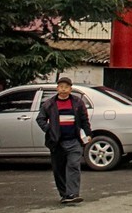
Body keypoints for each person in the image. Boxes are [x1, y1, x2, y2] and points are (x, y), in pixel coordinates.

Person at [36, 76, 92, 204]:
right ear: (57, 88)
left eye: (66, 87)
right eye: (61, 87)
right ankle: (65, 194)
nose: (63, 90)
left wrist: (88, 133)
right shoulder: (49, 104)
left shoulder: (78, 103)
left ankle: (73, 194)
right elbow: (40, 119)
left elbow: (84, 120)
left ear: (70, 89)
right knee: (59, 169)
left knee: (73, 166)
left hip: (74, 141)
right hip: (57, 142)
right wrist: (49, 129)